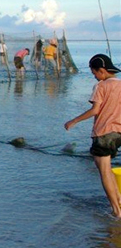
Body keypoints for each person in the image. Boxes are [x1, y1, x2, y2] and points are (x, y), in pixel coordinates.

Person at [64, 54, 121, 217]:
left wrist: (73, 121)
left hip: (104, 133)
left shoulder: (101, 86)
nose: (95, 77)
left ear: (102, 70)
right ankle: (118, 200)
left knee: (104, 171)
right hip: (118, 133)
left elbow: (95, 110)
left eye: (94, 73)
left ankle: (117, 212)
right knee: (107, 169)